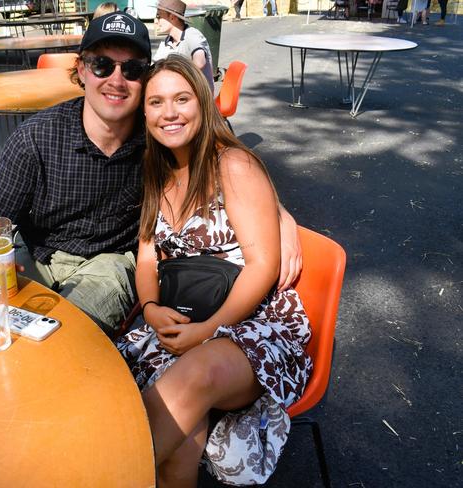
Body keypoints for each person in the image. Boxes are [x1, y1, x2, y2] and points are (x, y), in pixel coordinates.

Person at [0, 12, 303, 337]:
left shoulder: (160, 131)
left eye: (132, 69)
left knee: (60, 337)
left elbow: (223, 156)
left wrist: (278, 213)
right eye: (102, 65)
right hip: (36, 254)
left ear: (144, 79)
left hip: (109, 263)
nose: (116, 80)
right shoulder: (38, 136)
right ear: (82, 70)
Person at [116, 55, 312, 487]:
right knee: (181, 435)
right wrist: (149, 307)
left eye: (182, 98)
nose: (169, 113)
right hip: (180, 310)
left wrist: (209, 330)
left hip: (250, 321)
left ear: (203, 103)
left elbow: (263, 265)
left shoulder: (233, 165)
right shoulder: (156, 171)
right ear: (143, 112)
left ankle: (104, 475)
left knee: (195, 375)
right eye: (156, 102)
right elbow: (147, 256)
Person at [153, 0, 214, 93]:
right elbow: (154, 67)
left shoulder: (192, 35)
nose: (156, 21)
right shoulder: (167, 41)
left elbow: (200, 62)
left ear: (172, 17)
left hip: (200, 96)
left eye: (159, 16)